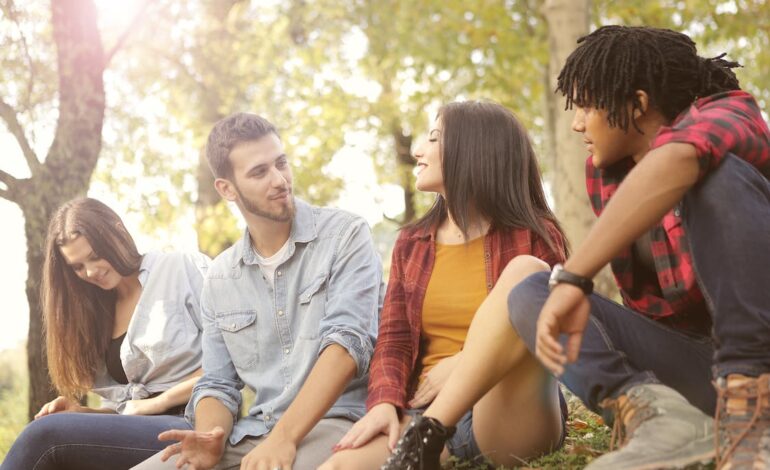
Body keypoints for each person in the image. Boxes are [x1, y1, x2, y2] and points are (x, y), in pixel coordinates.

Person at [392, 25, 769, 470]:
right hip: (698, 369)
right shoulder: (607, 172)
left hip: (756, 357)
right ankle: (661, 418)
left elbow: (681, 155)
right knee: (532, 290)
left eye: (586, 106)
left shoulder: (731, 115)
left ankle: (754, 409)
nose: (576, 122)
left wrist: (575, 276)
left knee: (719, 177)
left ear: (638, 104)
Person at [321, 101, 569, 470]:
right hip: (424, 411)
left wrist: (464, 362)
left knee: (526, 273)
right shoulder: (413, 242)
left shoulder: (534, 235)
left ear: (473, 150)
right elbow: (394, 338)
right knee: (337, 467)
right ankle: (425, 442)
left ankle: (430, 434)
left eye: (434, 138)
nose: (418, 150)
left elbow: (557, 331)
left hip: (507, 411)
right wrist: (385, 404)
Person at [131, 112, 383, 470]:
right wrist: (209, 437)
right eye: (259, 172)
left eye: (281, 163)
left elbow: (347, 346)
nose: (280, 180)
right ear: (227, 189)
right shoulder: (220, 277)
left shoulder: (345, 235)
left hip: (338, 419)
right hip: (256, 432)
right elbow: (217, 383)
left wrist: (284, 439)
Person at [1, 197, 210, 470]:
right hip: (139, 430)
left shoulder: (181, 268)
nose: (90, 271)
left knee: (45, 437)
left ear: (117, 231)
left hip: (194, 422)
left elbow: (233, 361)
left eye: (95, 256)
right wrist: (85, 414)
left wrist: (158, 402)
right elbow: (126, 408)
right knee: (55, 436)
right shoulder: (97, 311)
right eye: (77, 267)